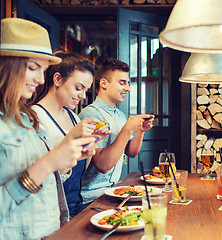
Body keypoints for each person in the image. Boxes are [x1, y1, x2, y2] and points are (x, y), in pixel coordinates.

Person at [0, 18, 97, 239]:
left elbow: (46, 185)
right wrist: (48, 162)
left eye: (42, 70)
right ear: (6, 65)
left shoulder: (26, 117)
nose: (39, 79)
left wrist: (69, 160)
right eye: (33, 68)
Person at [31, 52, 110, 218]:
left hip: (75, 206)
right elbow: (39, 180)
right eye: (78, 88)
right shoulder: (35, 117)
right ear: (58, 79)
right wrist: (72, 137)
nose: (82, 96)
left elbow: (81, 168)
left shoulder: (73, 116)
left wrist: (93, 140)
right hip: (50, 213)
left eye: (86, 90)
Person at [79, 57, 154, 204]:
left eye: (127, 83)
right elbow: (103, 165)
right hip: (91, 198)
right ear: (104, 83)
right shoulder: (90, 115)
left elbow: (131, 152)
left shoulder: (119, 115)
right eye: (122, 83)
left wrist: (140, 130)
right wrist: (127, 129)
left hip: (114, 190)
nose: (128, 88)